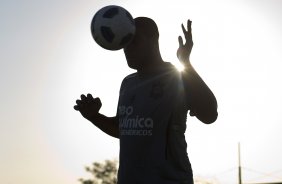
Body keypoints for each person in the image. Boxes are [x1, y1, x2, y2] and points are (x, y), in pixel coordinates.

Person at [74, 17, 218, 184]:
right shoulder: (127, 83)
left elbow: (209, 115)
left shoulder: (177, 77)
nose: (127, 48)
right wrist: (94, 116)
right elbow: (124, 130)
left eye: (134, 41)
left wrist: (186, 62)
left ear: (153, 40)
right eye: (125, 42)